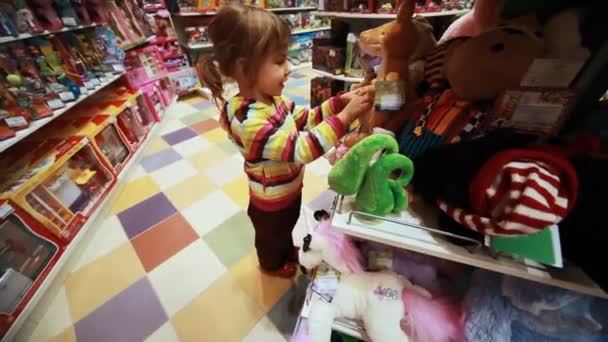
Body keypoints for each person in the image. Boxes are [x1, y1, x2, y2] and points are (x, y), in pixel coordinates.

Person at [197, 4, 374, 277]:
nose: (289, 68)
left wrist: (340, 103)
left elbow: (305, 118)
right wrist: (344, 118)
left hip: (288, 189)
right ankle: (271, 263)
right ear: (245, 69)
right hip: (270, 200)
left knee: (286, 226)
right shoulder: (248, 120)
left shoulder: (273, 100)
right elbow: (301, 149)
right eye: (279, 61)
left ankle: (282, 249)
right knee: (271, 235)